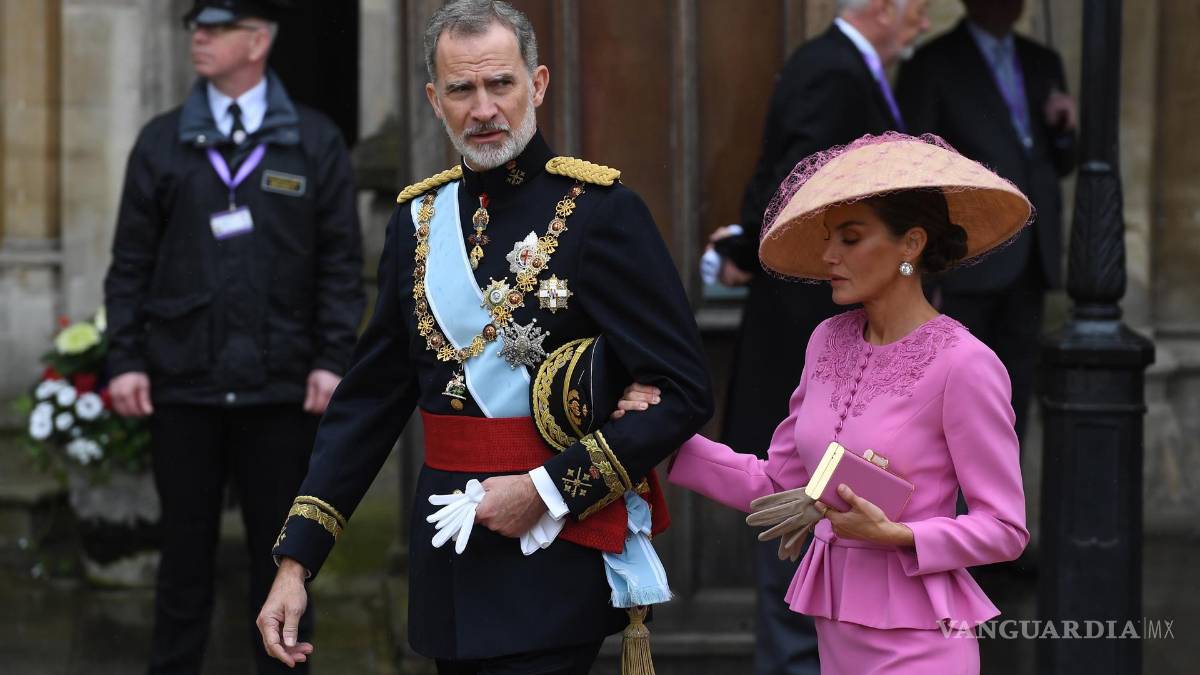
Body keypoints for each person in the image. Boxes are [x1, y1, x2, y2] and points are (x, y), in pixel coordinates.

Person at [255, 1, 713, 673]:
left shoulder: (601, 213)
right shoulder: (417, 221)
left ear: (539, 84)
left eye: (500, 83)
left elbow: (684, 390)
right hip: (449, 562)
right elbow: (369, 402)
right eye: (463, 90)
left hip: (551, 553)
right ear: (434, 100)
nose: (484, 108)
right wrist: (297, 560)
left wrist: (548, 490)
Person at [629, 132, 1031, 674]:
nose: (828, 256)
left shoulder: (965, 364)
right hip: (836, 641)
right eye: (828, 238)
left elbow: (1004, 529)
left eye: (850, 238)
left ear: (910, 244)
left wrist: (899, 535)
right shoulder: (827, 339)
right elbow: (780, 483)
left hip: (922, 645)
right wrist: (663, 436)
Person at [102, 1, 365, 672]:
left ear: (258, 40)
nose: (198, 37)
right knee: (182, 559)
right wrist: (127, 360)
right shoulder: (162, 141)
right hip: (184, 387)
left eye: (214, 28)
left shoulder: (313, 142)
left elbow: (342, 263)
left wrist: (333, 359)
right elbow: (129, 264)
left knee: (283, 563)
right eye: (196, 26)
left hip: (281, 392)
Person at [704, 1, 929, 672]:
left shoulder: (842, 69)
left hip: (843, 376)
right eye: (916, 5)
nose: (922, 20)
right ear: (883, 7)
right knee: (799, 564)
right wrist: (753, 241)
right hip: (806, 367)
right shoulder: (831, 73)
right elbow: (799, 198)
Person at [896, 0, 1077, 446]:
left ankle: (1003, 508)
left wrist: (1063, 129)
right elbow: (916, 168)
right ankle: (956, 511)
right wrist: (927, 264)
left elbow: (1063, 162)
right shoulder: (933, 61)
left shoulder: (1042, 61)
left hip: (1031, 255)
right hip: (966, 257)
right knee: (953, 393)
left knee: (1015, 392)